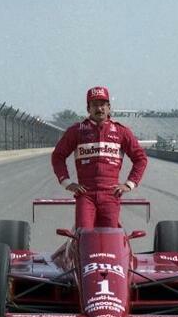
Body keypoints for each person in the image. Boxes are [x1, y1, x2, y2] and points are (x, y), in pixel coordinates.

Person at [51, 86, 147, 228]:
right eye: (94, 105)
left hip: (111, 194)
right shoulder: (76, 131)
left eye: (102, 104)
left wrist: (129, 184)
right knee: (83, 235)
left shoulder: (121, 132)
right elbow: (58, 156)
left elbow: (140, 159)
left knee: (111, 239)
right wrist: (67, 183)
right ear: (88, 108)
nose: (99, 108)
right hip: (85, 194)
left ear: (109, 107)